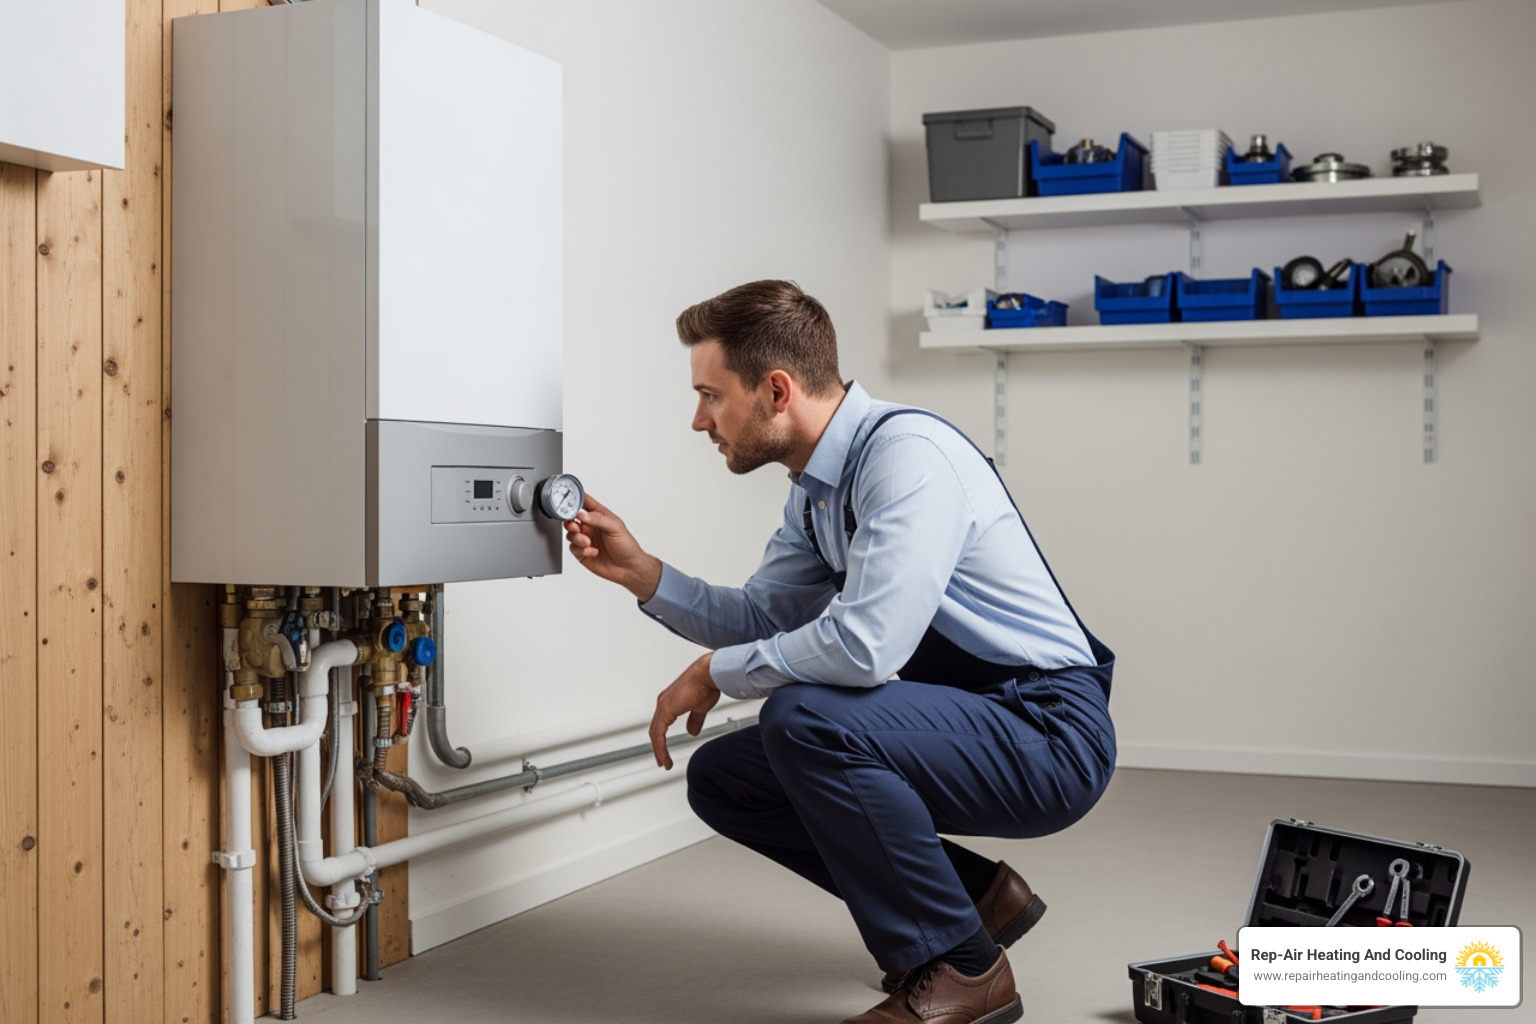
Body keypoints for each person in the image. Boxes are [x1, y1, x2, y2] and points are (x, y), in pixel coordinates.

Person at [564, 280, 1116, 1024]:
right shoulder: (817, 489)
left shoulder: (908, 457)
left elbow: (864, 647)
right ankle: (976, 903)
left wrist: (713, 673)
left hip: (1047, 732)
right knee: (726, 778)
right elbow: (761, 615)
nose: (699, 420)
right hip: (971, 717)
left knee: (805, 718)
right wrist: (643, 573)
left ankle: (963, 968)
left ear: (777, 390)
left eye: (710, 395)